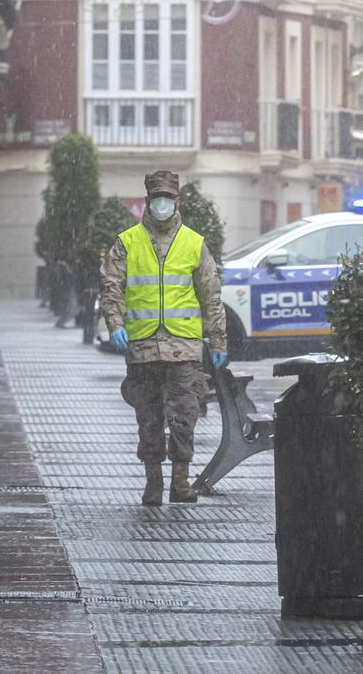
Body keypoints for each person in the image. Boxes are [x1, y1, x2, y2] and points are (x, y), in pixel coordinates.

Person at [100, 170, 228, 506]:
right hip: (142, 347)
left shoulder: (194, 243)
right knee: (148, 418)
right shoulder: (127, 242)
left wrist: (218, 341)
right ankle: (153, 483)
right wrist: (115, 324)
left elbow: (211, 296)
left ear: (177, 201)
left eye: (167, 198)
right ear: (148, 200)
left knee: (184, 415)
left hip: (183, 347)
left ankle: (180, 482)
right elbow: (111, 287)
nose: (162, 203)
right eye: (157, 197)